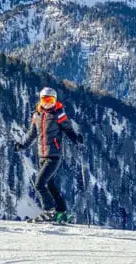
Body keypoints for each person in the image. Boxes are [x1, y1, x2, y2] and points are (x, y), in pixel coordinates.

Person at [14, 86, 84, 223]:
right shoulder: (37, 115)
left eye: (51, 100)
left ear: (55, 101)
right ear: (40, 101)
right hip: (41, 155)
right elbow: (31, 134)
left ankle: (48, 211)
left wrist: (77, 140)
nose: (48, 103)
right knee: (50, 185)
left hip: (54, 155)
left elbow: (68, 130)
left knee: (39, 184)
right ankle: (61, 211)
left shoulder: (59, 114)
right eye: (45, 100)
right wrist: (22, 145)